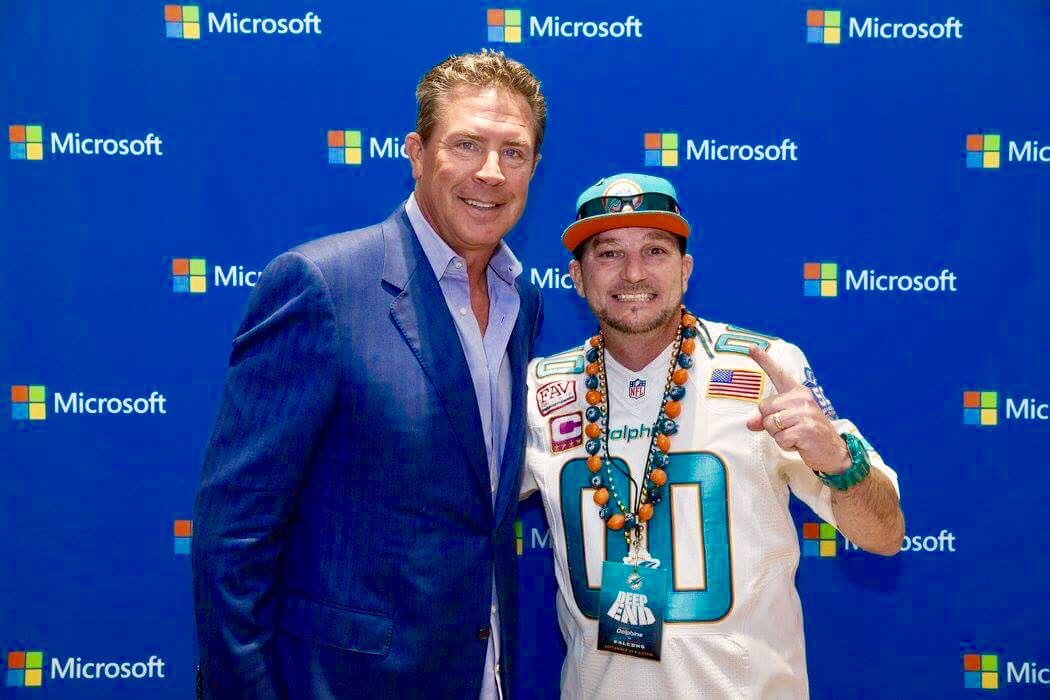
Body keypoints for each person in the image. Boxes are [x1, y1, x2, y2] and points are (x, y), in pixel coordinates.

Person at [192, 51, 545, 698]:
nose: (491, 172)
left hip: (482, 674)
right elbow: (234, 535)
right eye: (466, 144)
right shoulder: (322, 287)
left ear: (534, 168)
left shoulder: (521, 302)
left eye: (513, 152)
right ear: (417, 153)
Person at [521, 173, 904, 698]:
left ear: (685, 270)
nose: (634, 273)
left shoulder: (765, 368)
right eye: (608, 254)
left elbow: (885, 536)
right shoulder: (540, 390)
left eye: (655, 251)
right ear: (578, 278)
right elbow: (456, 510)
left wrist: (840, 460)